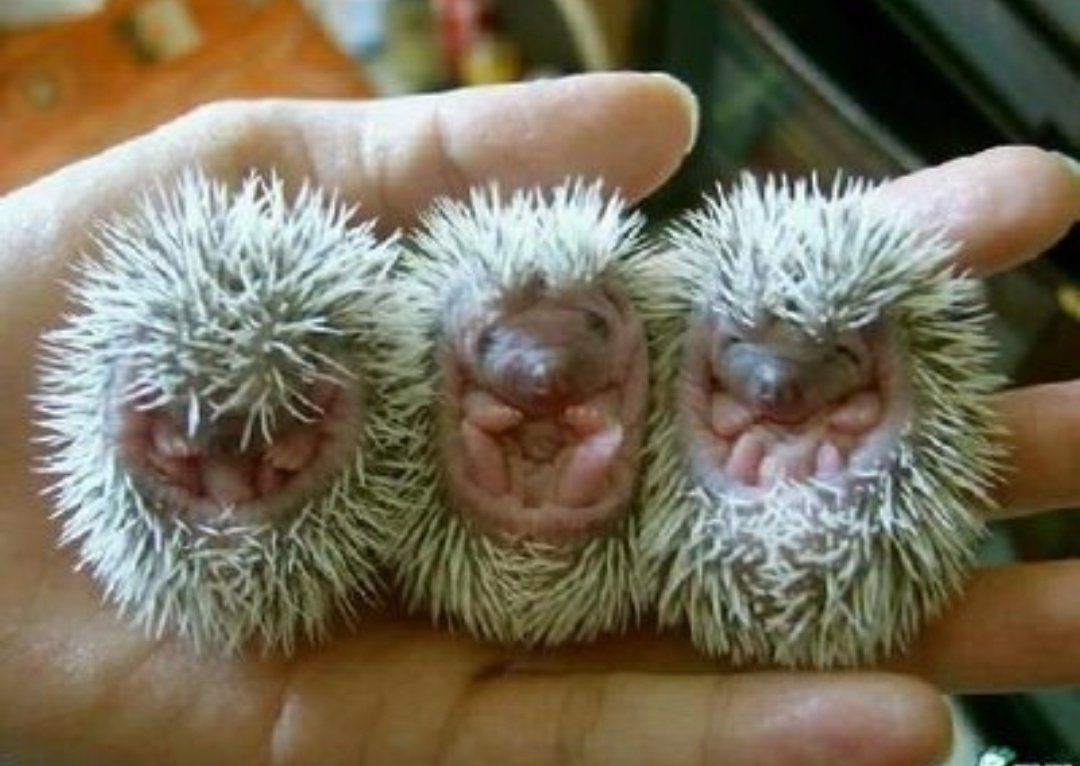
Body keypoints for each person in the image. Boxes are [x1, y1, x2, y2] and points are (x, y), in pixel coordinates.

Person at [0, 73, 1076, 766]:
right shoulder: (387, 377)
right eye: (511, 347)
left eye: (584, 339)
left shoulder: (658, 367)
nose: (546, 368)